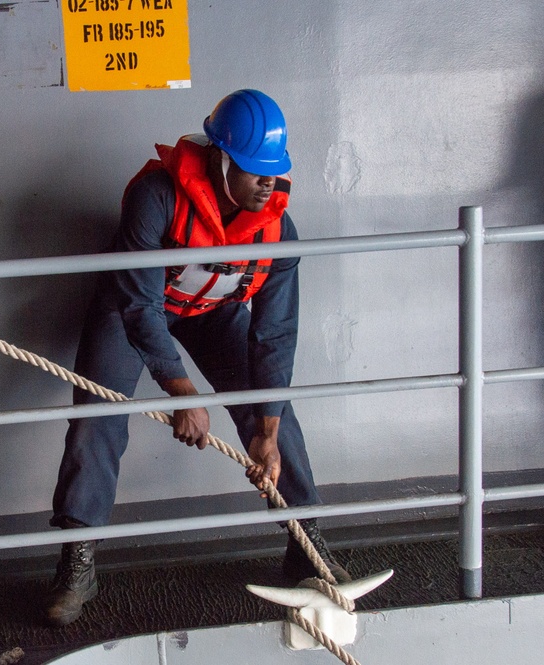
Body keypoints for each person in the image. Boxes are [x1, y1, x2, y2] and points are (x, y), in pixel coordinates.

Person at [43, 89, 349, 627]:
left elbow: (275, 333)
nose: (267, 183)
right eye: (254, 171)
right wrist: (182, 391)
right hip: (136, 306)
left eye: (273, 172)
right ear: (219, 158)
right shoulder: (156, 197)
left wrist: (268, 428)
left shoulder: (280, 230)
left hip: (211, 310)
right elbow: (138, 304)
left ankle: (307, 542)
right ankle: (78, 559)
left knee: (271, 413)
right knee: (98, 416)